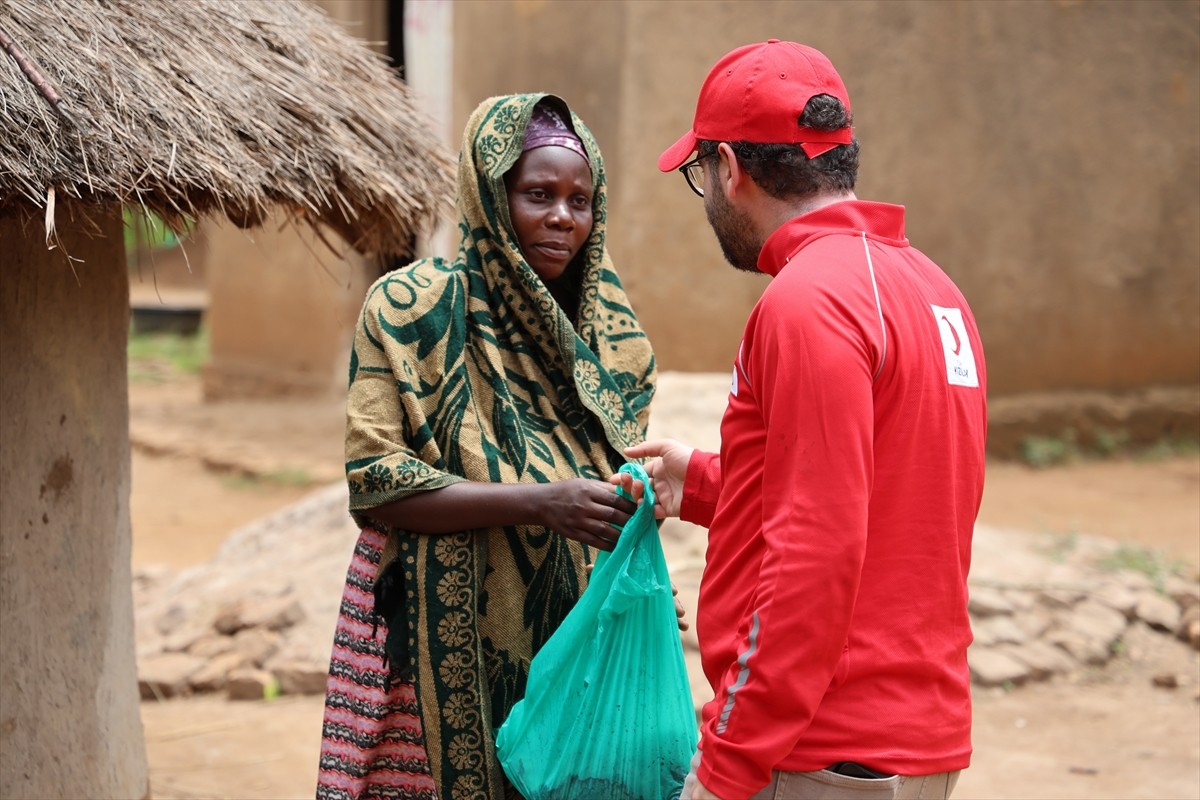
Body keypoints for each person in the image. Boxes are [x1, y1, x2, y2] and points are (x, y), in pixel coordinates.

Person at [621, 40, 987, 800]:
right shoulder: (935, 291)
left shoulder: (806, 303)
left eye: (700, 176)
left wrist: (729, 759)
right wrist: (708, 483)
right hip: (922, 744)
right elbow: (893, 501)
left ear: (728, 167)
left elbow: (813, 553)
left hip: (818, 752)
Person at [316, 94, 657, 800]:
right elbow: (377, 479)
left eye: (580, 199)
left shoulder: (614, 347)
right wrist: (542, 503)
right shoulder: (411, 309)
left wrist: (629, 573)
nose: (564, 217)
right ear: (491, 195)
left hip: (573, 646)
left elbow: (617, 494)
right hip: (429, 646)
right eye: (538, 195)